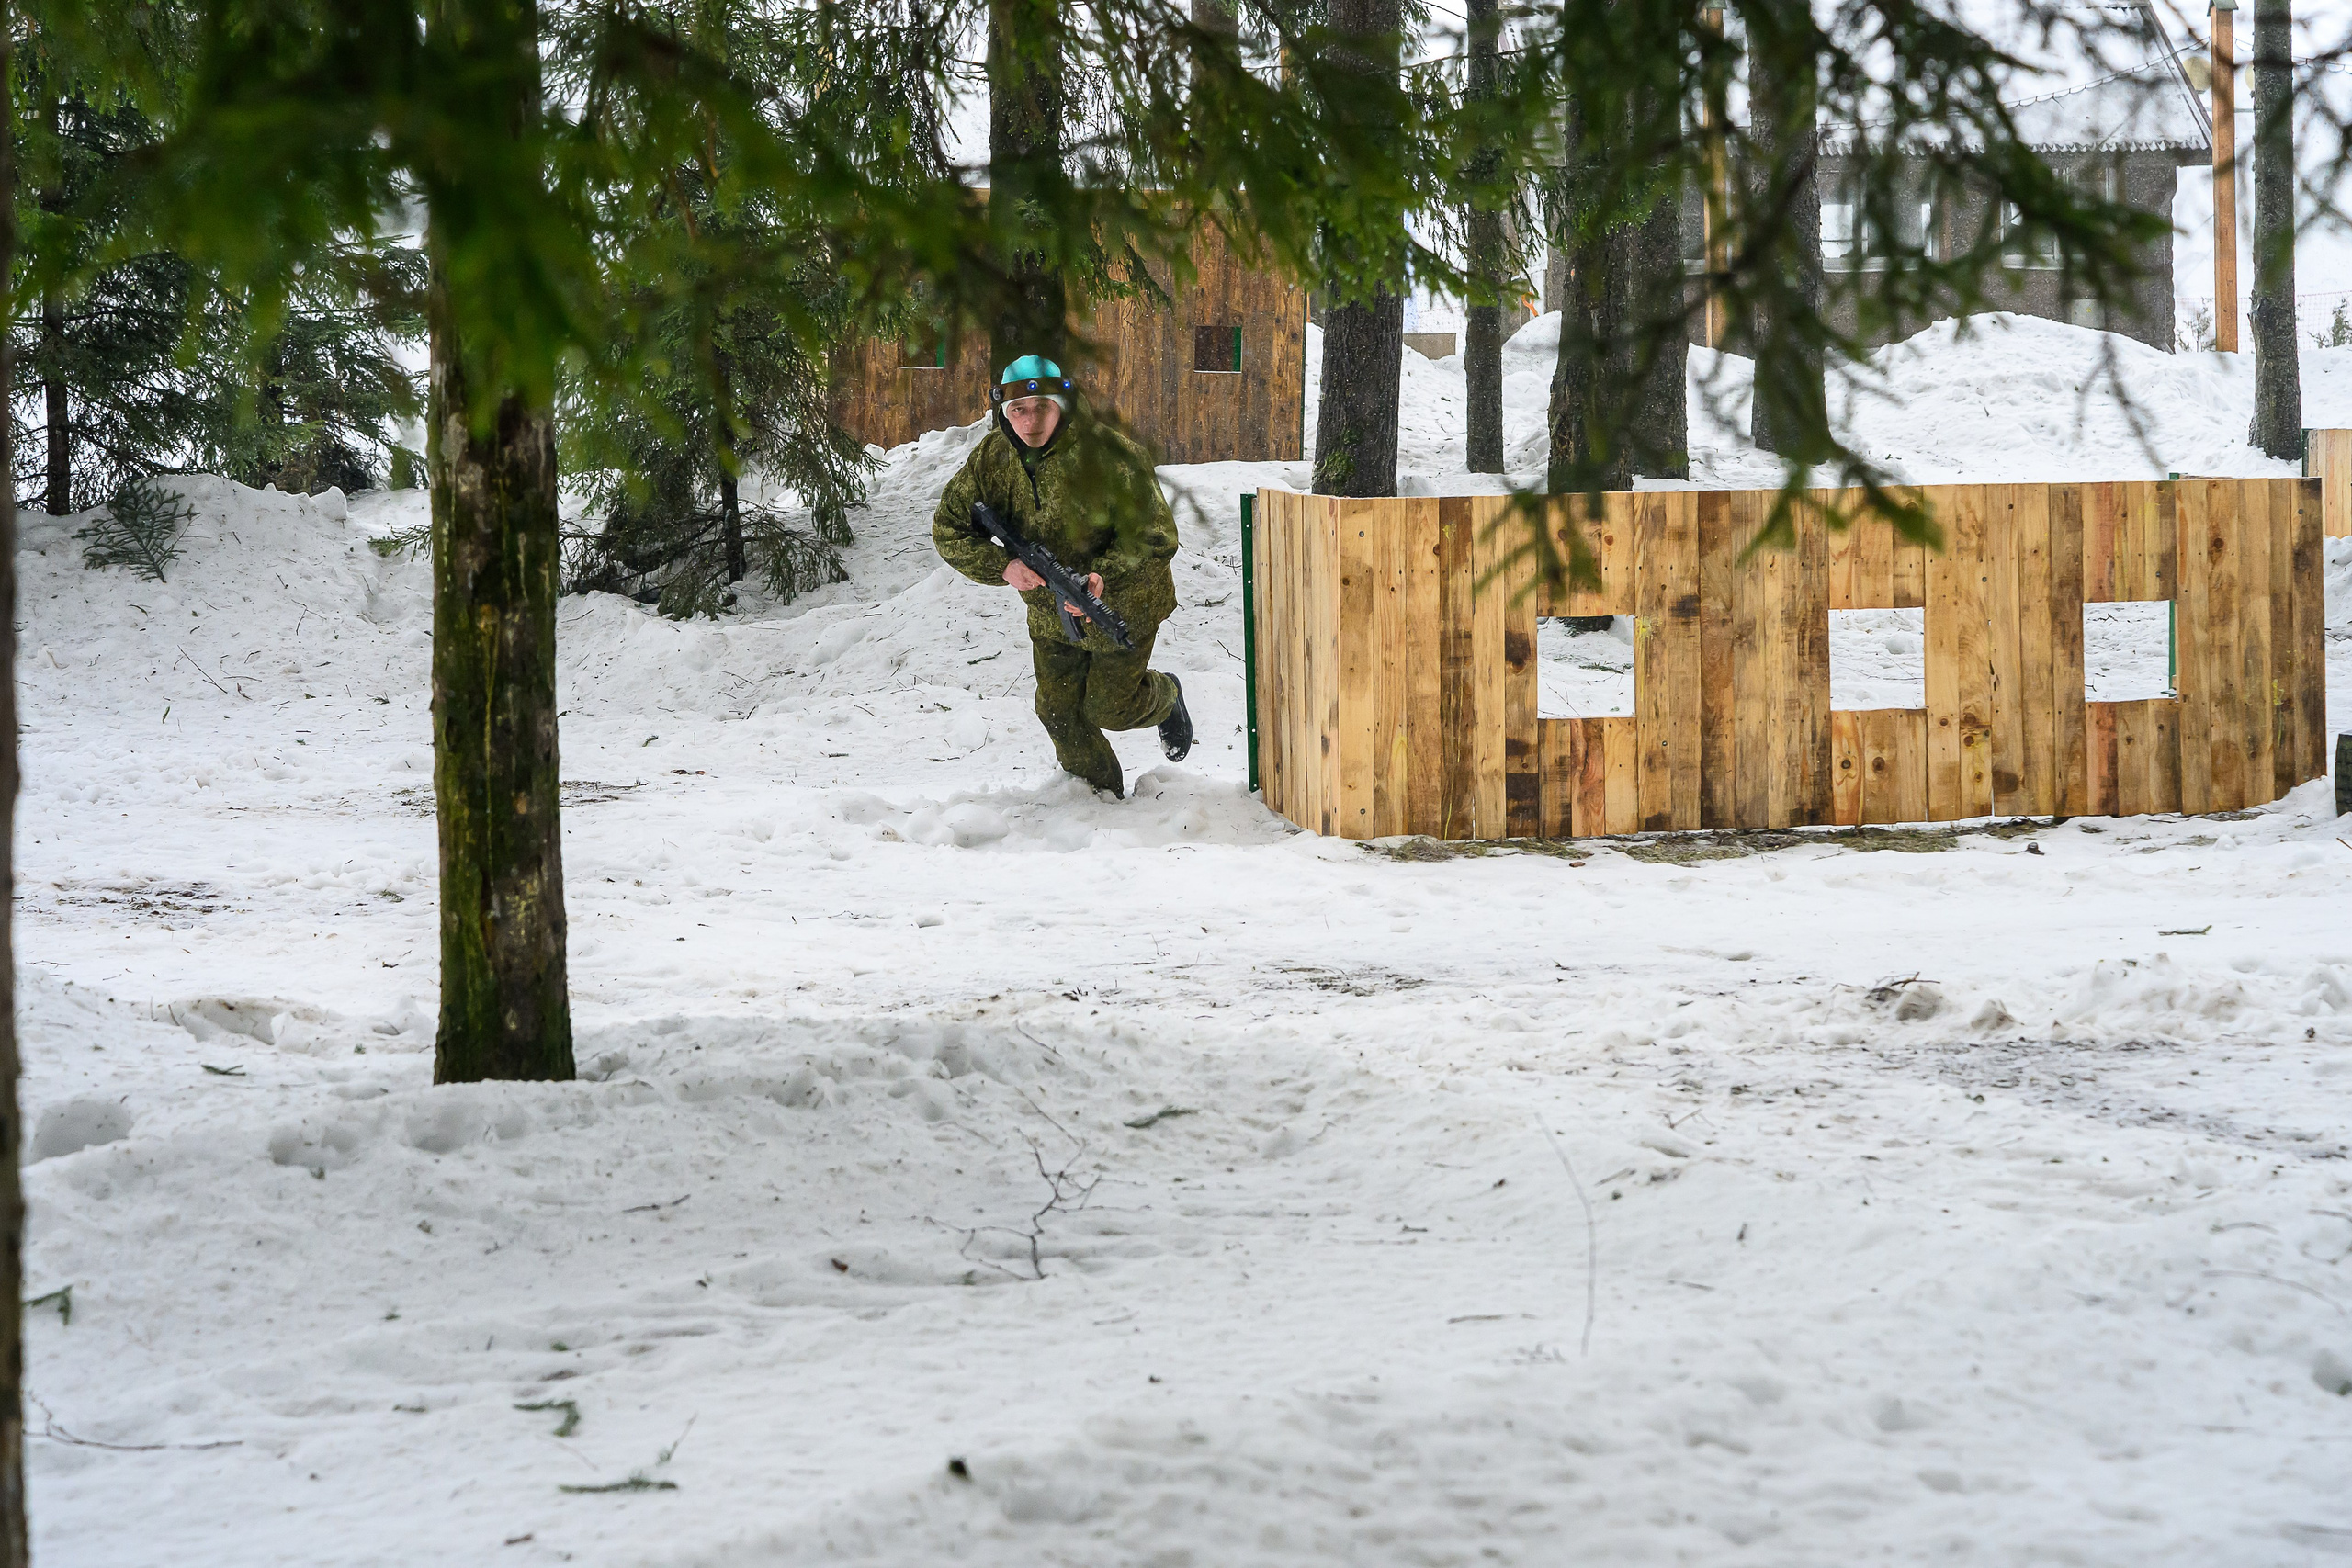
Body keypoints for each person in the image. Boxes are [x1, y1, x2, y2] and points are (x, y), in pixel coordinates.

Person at [932, 355, 1192, 797]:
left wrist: (1102, 577)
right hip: (1050, 613)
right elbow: (948, 528)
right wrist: (1004, 567)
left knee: (1111, 708)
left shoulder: (1113, 457)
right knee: (1058, 713)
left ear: (1063, 406)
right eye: (1018, 411)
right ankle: (1098, 799)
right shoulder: (993, 459)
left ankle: (1166, 697)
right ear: (1003, 412)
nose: (1029, 422)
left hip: (1122, 606)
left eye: (1041, 408)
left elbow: (1155, 538)